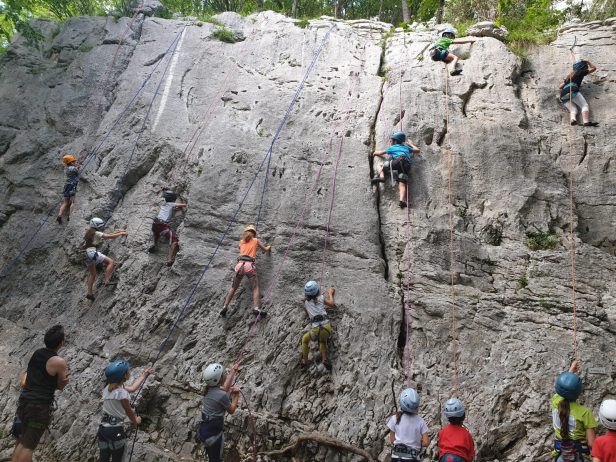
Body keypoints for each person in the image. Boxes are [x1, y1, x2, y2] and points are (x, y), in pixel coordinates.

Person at [11, 325, 69, 462]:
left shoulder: (37, 353)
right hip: (39, 407)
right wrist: (64, 382)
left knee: (20, 441)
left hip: (24, 403)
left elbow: (31, 375)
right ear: (61, 343)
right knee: (28, 446)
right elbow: (60, 385)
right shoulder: (58, 362)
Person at [98, 360, 153, 462]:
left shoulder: (108, 388)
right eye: (128, 371)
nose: (130, 372)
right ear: (124, 375)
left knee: (103, 459)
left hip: (103, 430)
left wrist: (144, 375)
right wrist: (135, 421)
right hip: (115, 430)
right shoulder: (122, 393)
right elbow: (128, 411)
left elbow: (132, 388)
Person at [220, 225, 271, 317]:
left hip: (239, 265)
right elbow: (265, 250)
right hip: (249, 265)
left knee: (233, 287)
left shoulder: (241, 242)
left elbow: (243, 249)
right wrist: (268, 247)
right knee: (255, 287)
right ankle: (256, 308)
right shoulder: (255, 240)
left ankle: (225, 306)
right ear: (254, 233)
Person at [551, 360, 597, 462]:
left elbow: (562, 389)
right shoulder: (585, 413)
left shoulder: (555, 402)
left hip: (560, 456)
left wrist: (571, 370)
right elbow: (592, 445)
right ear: (578, 392)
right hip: (579, 457)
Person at [197, 363, 240, 462]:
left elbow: (224, 389)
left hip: (205, 431)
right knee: (216, 459)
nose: (226, 373)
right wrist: (236, 396)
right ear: (220, 378)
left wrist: (233, 372)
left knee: (212, 457)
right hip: (214, 434)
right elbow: (232, 410)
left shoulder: (208, 389)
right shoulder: (221, 395)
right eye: (224, 373)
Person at [371, 132, 421, 209]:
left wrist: (374, 153)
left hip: (399, 161)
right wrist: (411, 144)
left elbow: (381, 153)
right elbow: (417, 150)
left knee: (381, 165)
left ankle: (382, 177)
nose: (390, 142)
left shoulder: (393, 147)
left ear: (396, 141)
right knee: (402, 182)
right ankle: (401, 201)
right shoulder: (406, 147)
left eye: (391, 140)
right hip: (407, 165)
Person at [84, 217, 128, 301]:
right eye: (100, 226)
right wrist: (121, 233)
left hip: (87, 254)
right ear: (96, 226)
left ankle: (89, 293)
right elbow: (109, 237)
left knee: (92, 274)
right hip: (93, 254)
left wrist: (117, 232)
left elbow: (107, 235)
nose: (101, 227)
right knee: (110, 262)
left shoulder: (89, 231)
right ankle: (107, 280)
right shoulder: (96, 233)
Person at [300, 281, 336, 371]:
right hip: (327, 327)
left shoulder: (305, 303)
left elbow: (308, 315)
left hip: (316, 329)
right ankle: (324, 358)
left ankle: (306, 360)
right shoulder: (321, 298)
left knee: (305, 339)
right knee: (322, 341)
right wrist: (330, 293)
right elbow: (332, 305)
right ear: (318, 291)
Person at [386, 387, 429, 461]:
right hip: (412, 458)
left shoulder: (394, 418)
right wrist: (417, 442)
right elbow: (426, 442)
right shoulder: (420, 421)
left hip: (396, 457)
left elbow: (392, 440)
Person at [149, 189, 187, 266]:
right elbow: (183, 205)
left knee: (156, 233)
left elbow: (171, 208)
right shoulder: (171, 204)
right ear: (173, 199)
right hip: (162, 225)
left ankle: (154, 244)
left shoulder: (163, 204)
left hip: (155, 223)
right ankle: (169, 259)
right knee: (174, 240)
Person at [559, 60, 599, 126]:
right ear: (583, 67)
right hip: (572, 90)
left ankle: (573, 120)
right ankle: (586, 122)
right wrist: (588, 61)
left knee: (573, 110)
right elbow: (594, 68)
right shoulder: (580, 72)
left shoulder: (569, 76)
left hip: (563, 95)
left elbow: (560, 86)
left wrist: (567, 82)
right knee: (584, 105)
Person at [57, 154, 80, 224]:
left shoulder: (66, 169)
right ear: (71, 162)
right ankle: (70, 217)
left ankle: (59, 216)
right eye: (74, 161)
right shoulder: (73, 168)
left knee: (65, 202)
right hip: (72, 186)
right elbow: (78, 173)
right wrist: (78, 168)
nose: (76, 162)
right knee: (73, 201)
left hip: (66, 186)